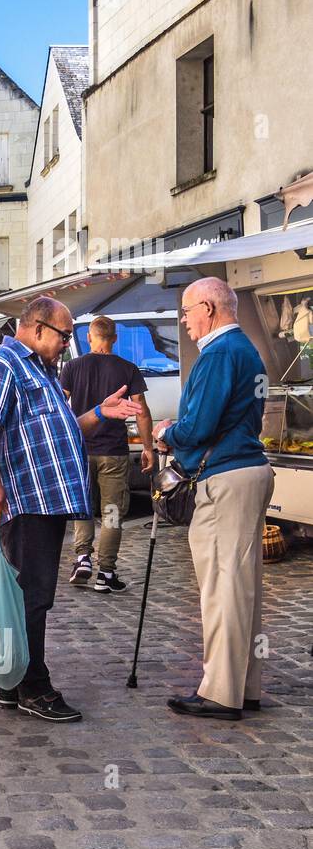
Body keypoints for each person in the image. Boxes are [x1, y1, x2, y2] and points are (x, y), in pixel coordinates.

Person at [0, 297, 143, 723]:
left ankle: (12, 685)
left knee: (31, 594)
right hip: (25, 499)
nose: (69, 344)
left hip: (47, 500)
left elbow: (63, 426)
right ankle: (34, 686)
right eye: (65, 336)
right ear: (38, 327)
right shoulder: (3, 362)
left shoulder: (43, 370)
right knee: (32, 595)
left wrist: (101, 412)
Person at [155, 278, 273, 721]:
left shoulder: (219, 352)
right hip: (246, 470)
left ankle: (222, 693)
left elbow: (199, 426)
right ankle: (243, 686)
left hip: (226, 476)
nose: (183, 320)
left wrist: (168, 434)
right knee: (241, 588)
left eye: (186, 311)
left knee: (223, 588)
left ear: (208, 308)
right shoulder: (244, 349)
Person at [61, 315, 155, 593]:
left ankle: (82, 559)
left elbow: (59, 404)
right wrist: (148, 447)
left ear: (89, 337)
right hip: (114, 451)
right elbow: (142, 411)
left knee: (83, 506)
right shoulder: (128, 369)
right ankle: (106, 572)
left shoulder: (71, 367)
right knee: (112, 512)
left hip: (81, 447)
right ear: (114, 338)